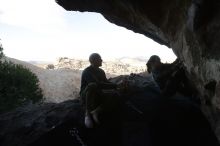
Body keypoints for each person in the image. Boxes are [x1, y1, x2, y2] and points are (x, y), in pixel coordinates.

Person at [80, 53, 125, 128]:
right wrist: (116, 85)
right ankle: (87, 113)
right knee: (92, 85)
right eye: (99, 59)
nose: (101, 60)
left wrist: (119, 86)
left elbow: (106, 83)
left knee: (116, 94)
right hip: (87, 95)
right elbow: (98, 84)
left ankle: (96, 111)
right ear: (93, 61)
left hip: (98, 94)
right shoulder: (87, 71)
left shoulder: (101, 71)